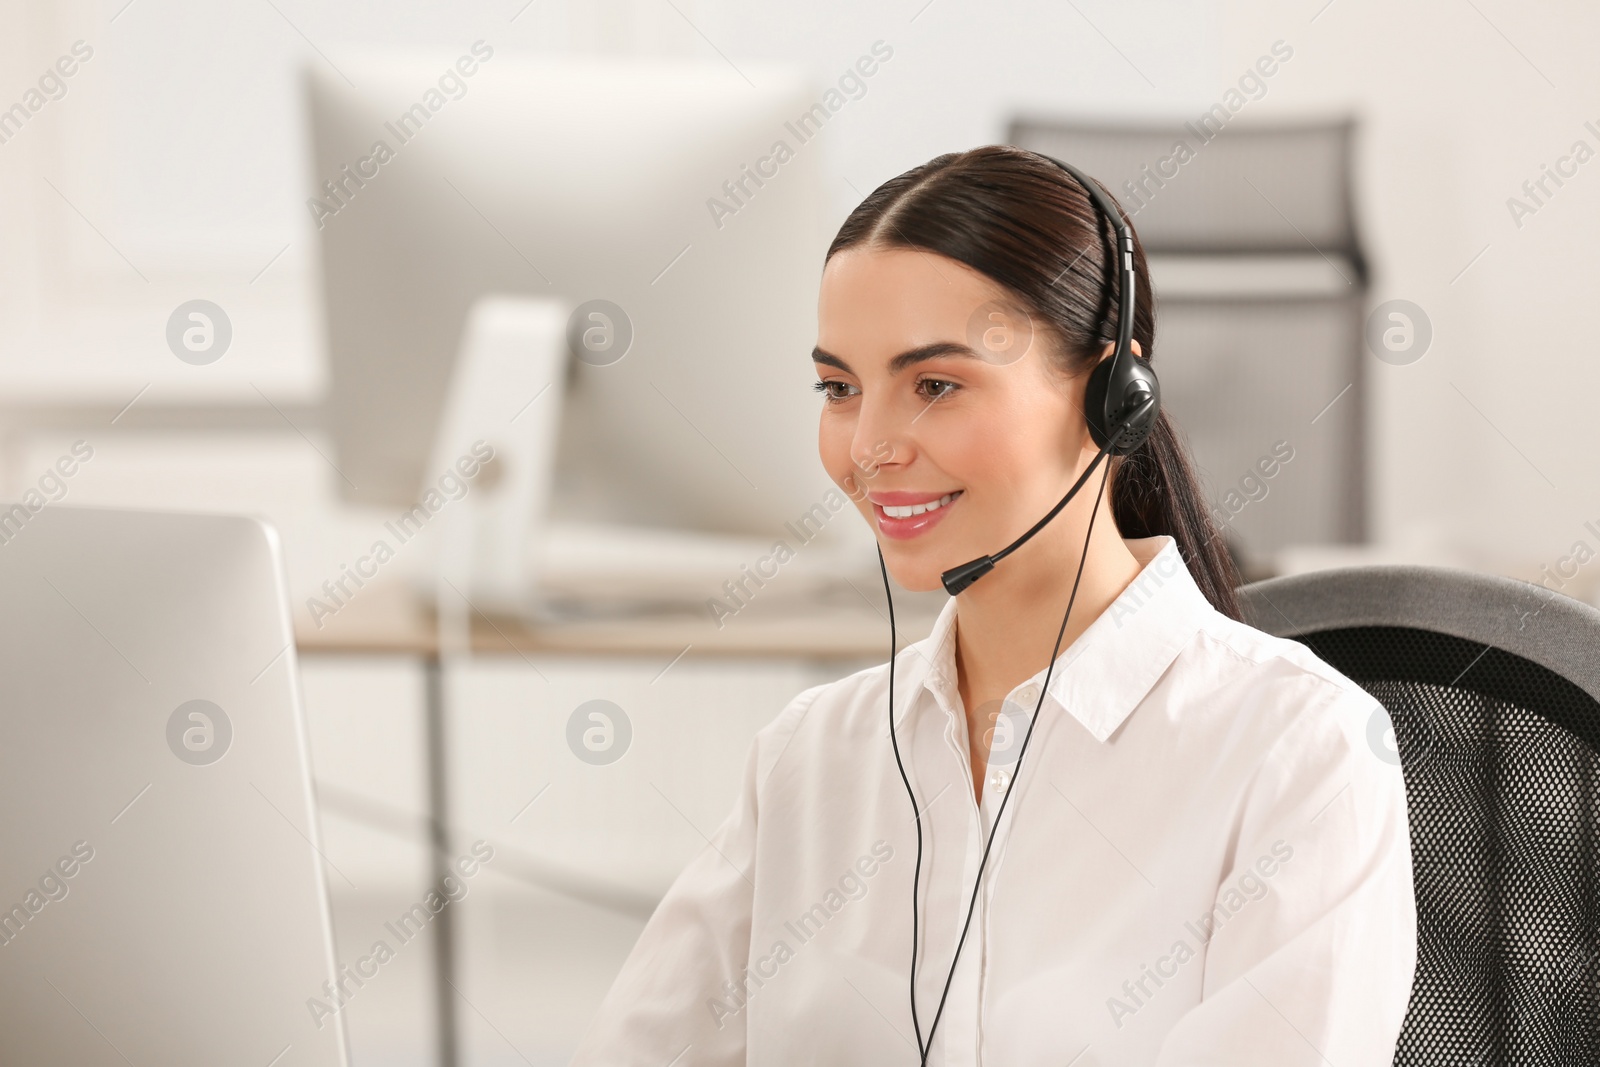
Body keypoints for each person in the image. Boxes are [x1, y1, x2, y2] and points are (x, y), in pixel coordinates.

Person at [569, 145, 1417, 1066]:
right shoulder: (810, 759)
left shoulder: (1297, 750)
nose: (872, 447)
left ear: (1110, 398)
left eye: (935, 385)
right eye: (840, 389)